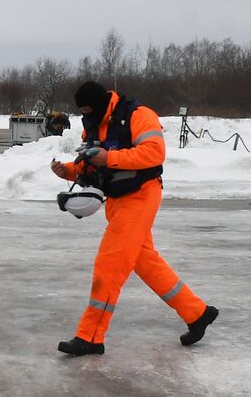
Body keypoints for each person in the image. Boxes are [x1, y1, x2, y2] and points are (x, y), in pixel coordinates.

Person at [50, 80, 218, 356]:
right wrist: (67, 171)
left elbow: (154, 152)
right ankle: (197, 313)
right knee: (146, 262)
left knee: (110, 264)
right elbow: (88, 164)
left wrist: (110, 158)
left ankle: (90, 336)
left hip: (141, 195)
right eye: (83, 111)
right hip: (116, 201)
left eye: (90, 109)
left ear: (102, 102)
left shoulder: (139, 115)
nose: (87, 115)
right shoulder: (92, 123)